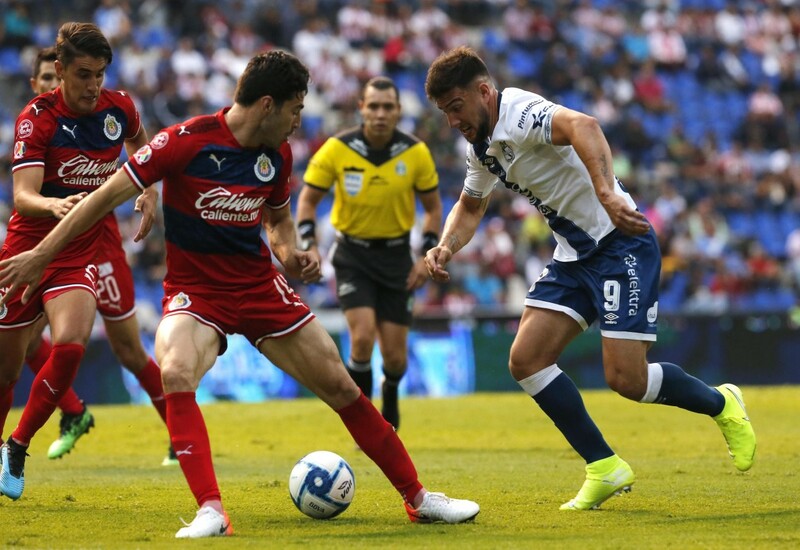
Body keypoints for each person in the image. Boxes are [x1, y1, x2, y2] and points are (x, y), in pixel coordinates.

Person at [0, 50, 479, 537]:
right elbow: (100, 200)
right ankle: (211, 510)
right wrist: (41, 255)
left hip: (258, 288)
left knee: (341, 385)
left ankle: (419, 499)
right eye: (295, 109)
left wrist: (291, 255)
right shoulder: (182, 142)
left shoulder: (277, 156)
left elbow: (278, 221)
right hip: (196, 292)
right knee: (176, 369)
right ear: (267, 105)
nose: (299, 120)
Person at [422, 46, 756, 511]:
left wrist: (606, 189)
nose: (452, 120)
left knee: (627, 379)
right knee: (526, 359)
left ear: (483, 91)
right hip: (575, 256)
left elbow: (585, 126)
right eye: (444, 112)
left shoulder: (518, 112)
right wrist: (445, 246)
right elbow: (471, 206)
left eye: (455, 107)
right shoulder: (481, 146)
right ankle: (604, 466)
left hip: (619, 243)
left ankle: (722, 405)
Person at [0, 22, 171, 500]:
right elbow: (23, 196)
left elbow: (145, 149)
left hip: (79, 249)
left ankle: (18, 445)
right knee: (6, 372)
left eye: (99, 74)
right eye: (82, 74)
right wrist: (55, 206)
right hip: (26, 250)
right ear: (59, 70)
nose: (93, 85)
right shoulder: (36, 119)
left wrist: (149, 192)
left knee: (71, 345)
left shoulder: (119, 108)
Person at [297, 76, 442, 430]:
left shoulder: (415, 152)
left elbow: (434, 210)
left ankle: (389, 394)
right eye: (373, 106)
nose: (380, 114)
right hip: (352, 256)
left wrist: (427, 254)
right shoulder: (336, 148)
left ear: (398, 111)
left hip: (395, 258)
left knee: (395, 357)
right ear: (360, 107)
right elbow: (307, 200)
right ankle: (365, 424)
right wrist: (308, 243)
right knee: (361, 338)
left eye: (387, 107)